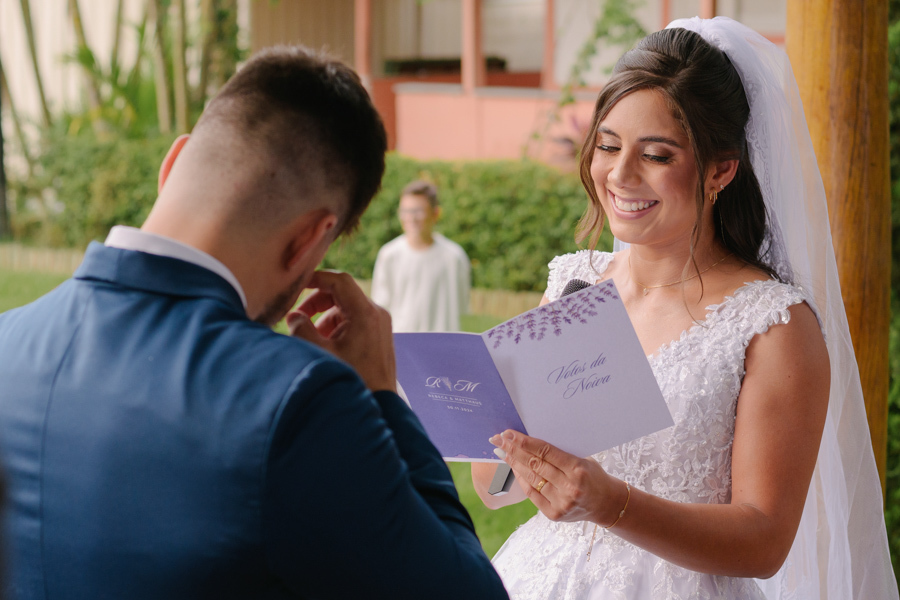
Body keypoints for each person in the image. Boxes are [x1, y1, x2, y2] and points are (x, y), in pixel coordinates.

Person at [0, 46, 508, 600]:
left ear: (172, 165)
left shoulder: (7, 338)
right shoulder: (297, 397)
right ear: (309, 239)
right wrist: (384, 397)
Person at [472, 17, 898, 600]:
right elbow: (496, 488)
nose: (620, 176)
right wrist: (499, 430)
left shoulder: (771, 325)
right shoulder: (574, 285)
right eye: (608, 145)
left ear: (721, 170)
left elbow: (764, 541)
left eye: (655, 155)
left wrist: (610, 503)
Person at [371, 180, 470, 332]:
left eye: (418, 211)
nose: (411, 218)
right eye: (405, 211)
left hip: (444, 347)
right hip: (402, 347)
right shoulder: (389, 255)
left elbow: (461, 306)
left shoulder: (454, 257)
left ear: (435, 213)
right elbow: (381, 306)